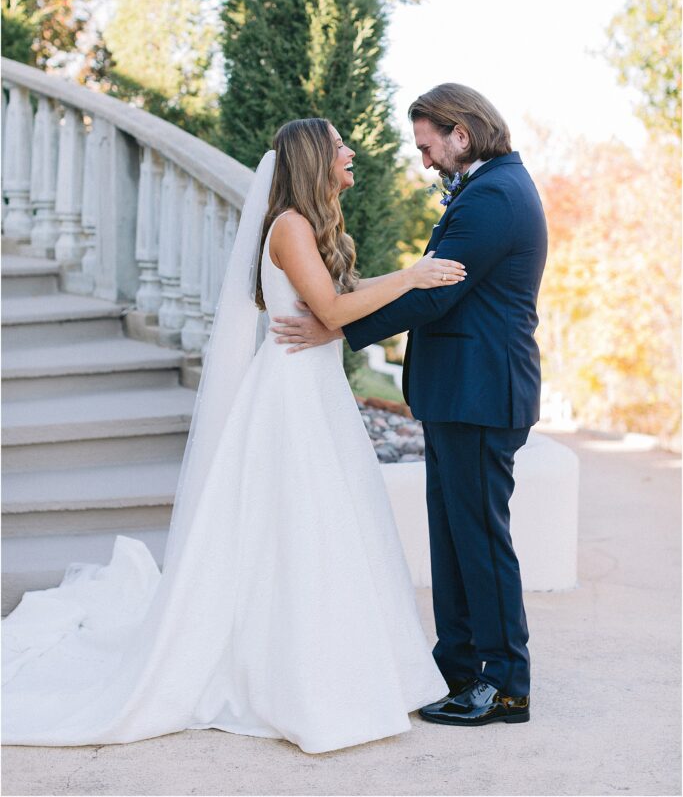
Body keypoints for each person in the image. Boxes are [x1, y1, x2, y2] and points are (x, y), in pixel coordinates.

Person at [2, 117, 468, 754]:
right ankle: (300, 683)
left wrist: (346, 316)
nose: (350, 152)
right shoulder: (290, 227)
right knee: (301, 526)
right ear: (312, 160)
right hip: (290, 396)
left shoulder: (312, 225)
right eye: (339, 147)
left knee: (332, 525)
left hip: (316, 388)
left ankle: (359, 669)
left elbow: (336, 303)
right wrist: (412, 276)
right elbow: (332, 310)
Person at [271, 84, 548, 727]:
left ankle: (506, 685)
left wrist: (335, 326)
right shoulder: (487, 189)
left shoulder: (496, 197)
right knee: (453, 538)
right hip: (460, 394)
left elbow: (434, 294)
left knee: (478, 540)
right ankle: (455, 668)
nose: (423, 161)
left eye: (427, 146)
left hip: (483, 393)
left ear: (461, 133)